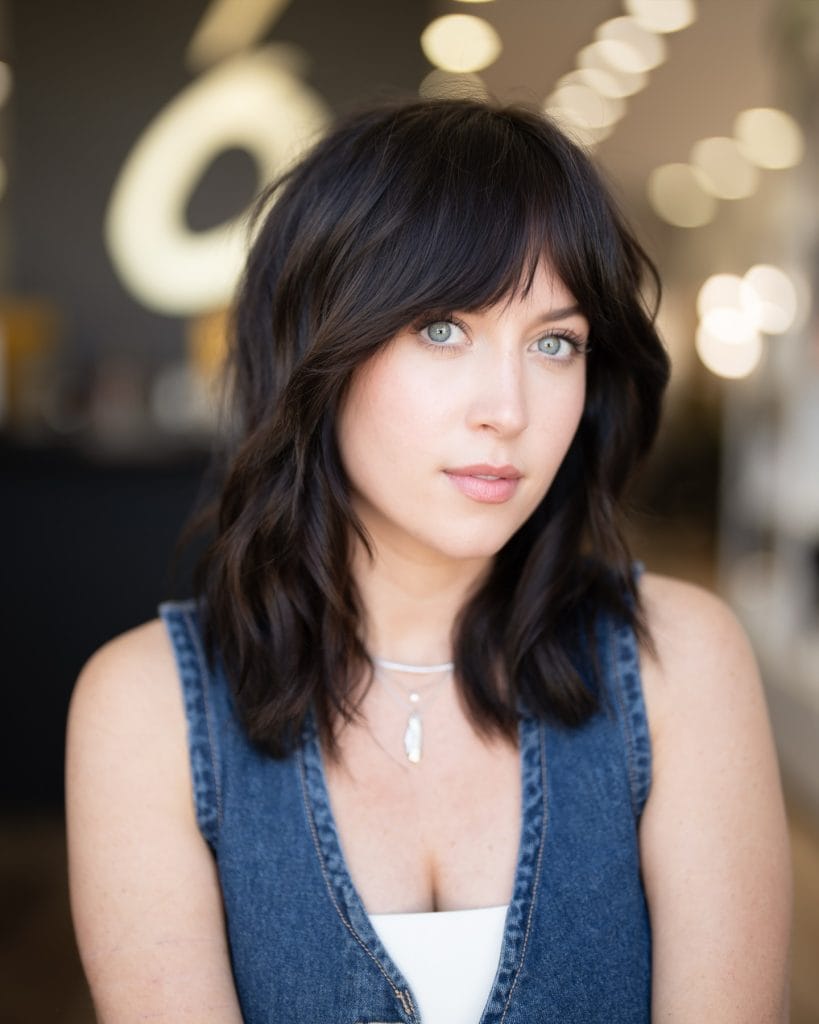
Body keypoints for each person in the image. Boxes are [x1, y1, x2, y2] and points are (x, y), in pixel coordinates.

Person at [65, 98, 791, 1023]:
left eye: (554, 342)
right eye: (443, 328)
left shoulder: (676, 664)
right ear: (314, 346)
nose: (509, 408)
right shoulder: (149, 711)